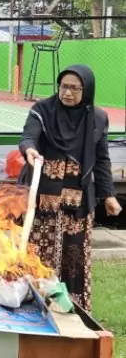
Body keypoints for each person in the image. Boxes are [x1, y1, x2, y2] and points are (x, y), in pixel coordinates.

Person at [19, 65, 122, 312]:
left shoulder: (97, 118)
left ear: (86, 90)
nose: (67, 92)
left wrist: (107, 195)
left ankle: (73, 307)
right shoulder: (42, 110)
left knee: (74, 256)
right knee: (39, 253)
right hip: (43, 197)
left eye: (75, 88)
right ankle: (33, 303)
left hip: (77, 201)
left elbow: (101, 158)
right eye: (64, 86)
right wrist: (29, 149)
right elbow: (28, 136)